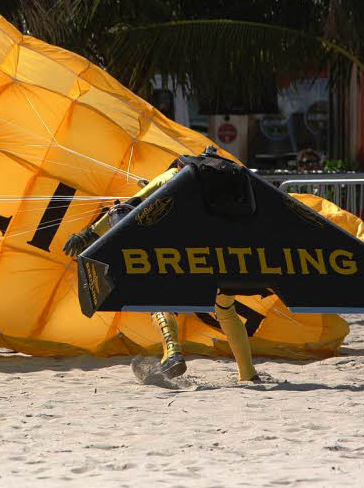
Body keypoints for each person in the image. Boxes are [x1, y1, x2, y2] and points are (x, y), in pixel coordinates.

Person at [62, 155, 259, 382]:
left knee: (157, 299)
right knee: (225, 308)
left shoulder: (172, 176)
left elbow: (126, 208)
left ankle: (172, 353)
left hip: (181, 254)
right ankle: (248, 373)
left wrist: (87, 234)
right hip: (226, 253)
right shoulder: (228, 185)